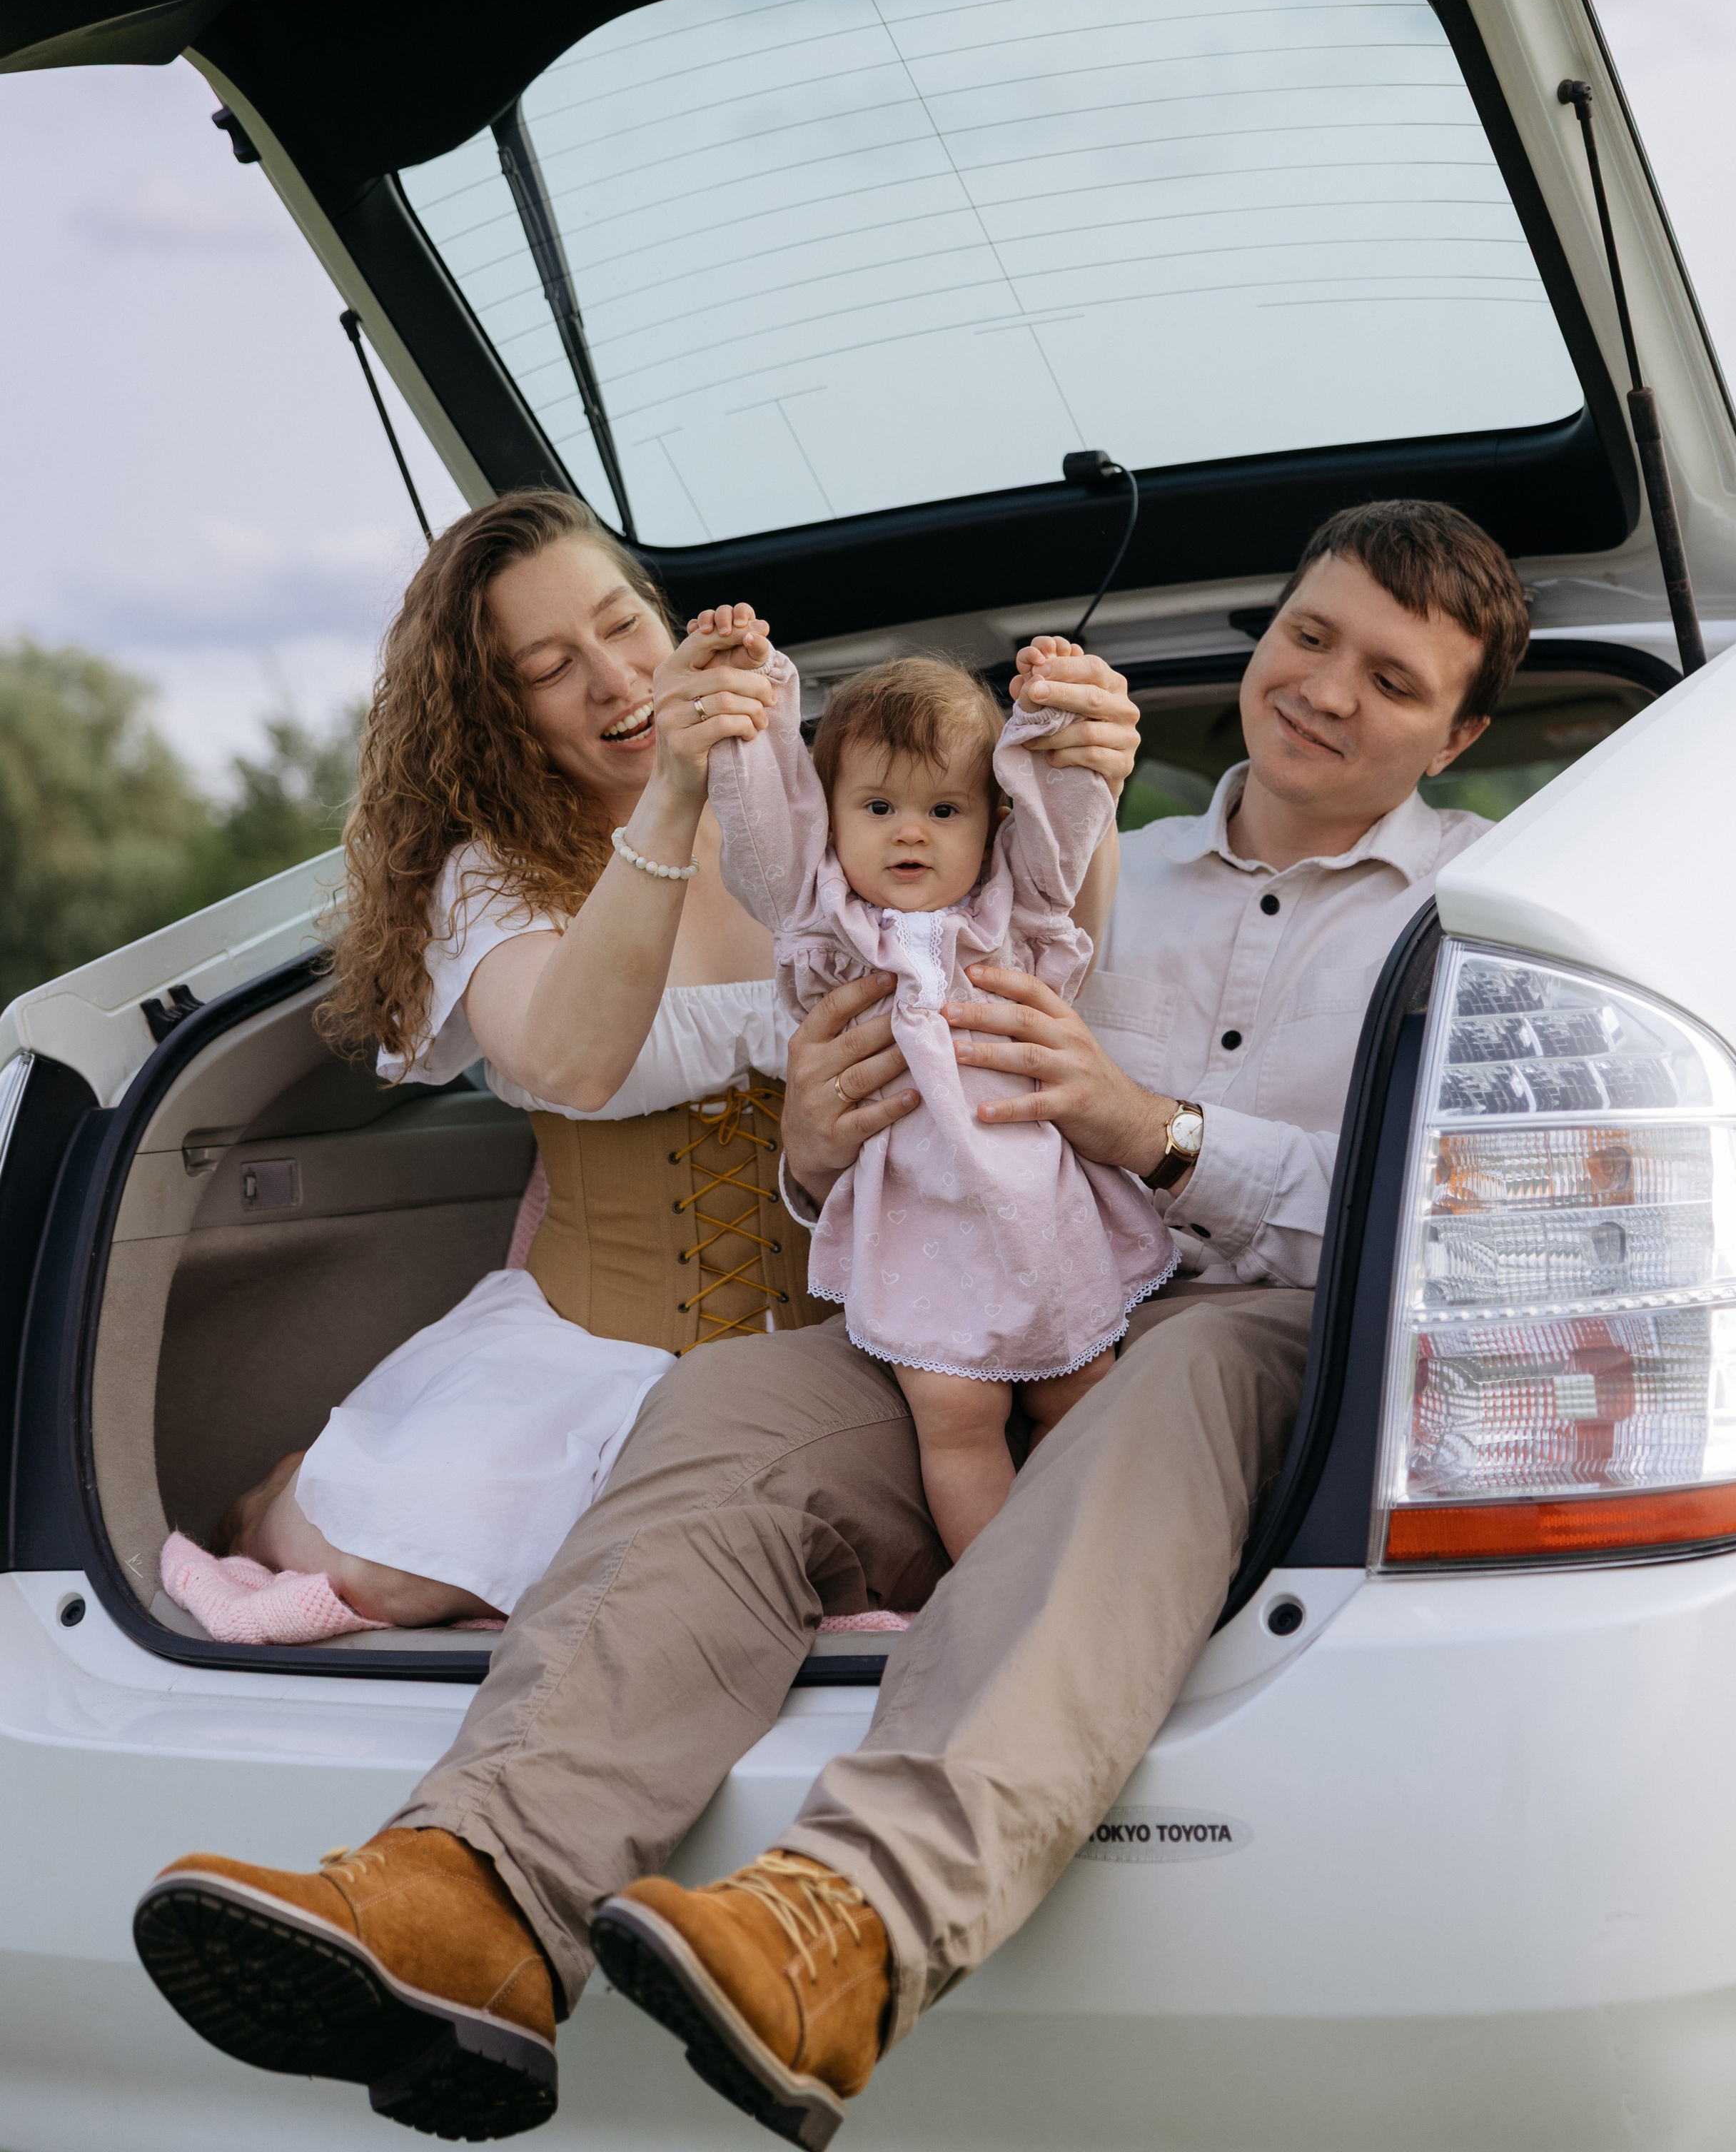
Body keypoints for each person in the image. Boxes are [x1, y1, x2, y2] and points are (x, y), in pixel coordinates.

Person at [133, 498, 1530, 2152]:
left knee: (1179, 1376)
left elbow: (1468, 1206)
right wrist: (809, 1161)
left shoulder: (1491, 911)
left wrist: (1156, 1131)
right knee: (733, 1406)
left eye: (1390, 677)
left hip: (1269, 1332)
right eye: (1308, 637)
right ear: (1265, 637)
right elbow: (933, 1158)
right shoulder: (1084, 868)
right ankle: (476, 1892)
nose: (1325, 690)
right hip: (982, 1324)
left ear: (1461, 731)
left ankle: (844, 1923)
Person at [707, 635, 1173, 1557]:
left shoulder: (1019, 919)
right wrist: (754, 706)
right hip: (922, 1225)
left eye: (945, 809)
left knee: (1081, 1386)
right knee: (955, 1414)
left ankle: (1081, 1562)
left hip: (1039, 1213)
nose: (910, 831)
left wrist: (1049, 719)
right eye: (877, 807)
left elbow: (1063, 821)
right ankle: (993, 1582)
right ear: (830, 822)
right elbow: (763, 829)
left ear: (992, 825)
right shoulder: (825, 930)